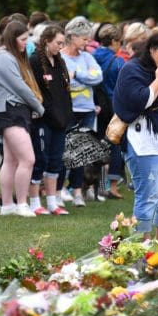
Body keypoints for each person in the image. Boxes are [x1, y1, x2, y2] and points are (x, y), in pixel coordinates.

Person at [113, 30, 158, 241]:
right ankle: (141, 243)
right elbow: (140, 101)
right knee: (148, 196)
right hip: (142, 140)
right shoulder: (132, 69)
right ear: (152, 49)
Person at [0, 20, 45, 217]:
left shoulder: (5, 55)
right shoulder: (4, 57)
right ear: (13, 38)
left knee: (11, 160)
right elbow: (19, 86)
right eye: (23, 39)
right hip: (9, 111)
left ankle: (8, 205)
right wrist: (38, 106)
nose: (26, 43)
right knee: (28, 159)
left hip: (12, 110)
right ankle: (21, 204)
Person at [29, 24, 71, 215]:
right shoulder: (35, 61)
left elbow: (64, 92)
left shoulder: (60, 62)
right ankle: (34, 201)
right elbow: (34, 91)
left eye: (63, 43)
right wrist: (44, 111)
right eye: (58, 43)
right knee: (40, 159)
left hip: (60, 120)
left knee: (56, 160)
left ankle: (52, 202)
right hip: (43, 119)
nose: (60, 47)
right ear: (47, 41)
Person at [61, 17, 102, 207]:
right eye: (84, 39)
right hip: (69, 110)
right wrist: (83, 78)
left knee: (81, 151)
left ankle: (77, 191)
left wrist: (78, 75)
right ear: (73, 37)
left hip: (86, 110)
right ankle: (60, 189)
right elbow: (64, 83)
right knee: (65, 150)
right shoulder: (61, 57)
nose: (88, 43)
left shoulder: (87, 57)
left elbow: (98, 76)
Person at [92, 23, 127, 199]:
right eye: (119, 42)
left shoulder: (91, 57)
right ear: (113, 41)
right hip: (114, 106)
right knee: (115, 144)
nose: (120, 46)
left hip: (95, 106)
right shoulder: (118, 62)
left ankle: (94, 185)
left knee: (95, 143)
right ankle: (111, 186)